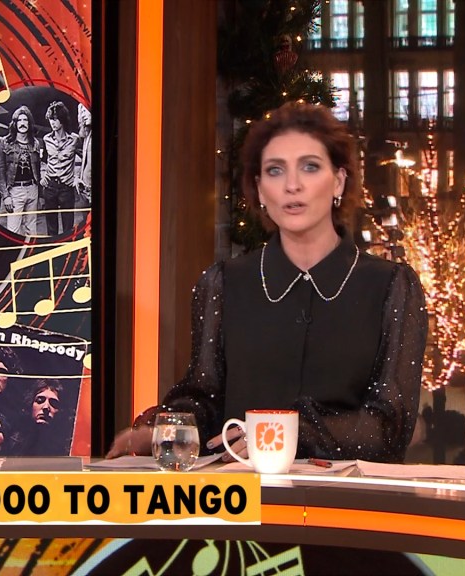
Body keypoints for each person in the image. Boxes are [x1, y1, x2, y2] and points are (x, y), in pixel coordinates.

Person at [107, 102, 428, 463]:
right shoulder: (223, 284)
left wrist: (286, 434)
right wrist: (165, 431)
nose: (292, 185)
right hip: (241, 493)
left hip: (346, 496)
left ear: (339, 180)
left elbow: (388, 429)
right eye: (275, 170)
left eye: (310, 166)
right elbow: (205, 399)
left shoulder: (391, 286)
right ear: (260, 189)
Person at [0, 106, 43, 236]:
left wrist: (40, 194)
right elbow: (0, 170)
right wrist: (6, 196)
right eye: (20, 120)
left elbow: (38, 169)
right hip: (14, 191)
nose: (23, 123)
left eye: (25, 120)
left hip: (32, 189)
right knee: (13, 230)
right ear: (15, 123)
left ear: (30, 123)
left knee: (31, 230)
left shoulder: (35, 143)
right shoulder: (5, 142)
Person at [40, 101, 80, 236]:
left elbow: (85, 158)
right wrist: (43, 176)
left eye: (55, 119)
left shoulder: (74, 140)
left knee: (68, 228)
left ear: (62, 119)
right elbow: (43, 160)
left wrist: (76, 178)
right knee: (51, 228)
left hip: (66, 188)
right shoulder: (46, 139)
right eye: (51, 119)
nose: (52, 122)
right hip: (50, 187)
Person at [74, 103, 93, 231]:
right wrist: (79, 178)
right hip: (85, 190)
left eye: (86, 111)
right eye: (82, 112)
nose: (84, 115)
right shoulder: (87, 136)